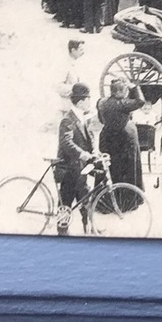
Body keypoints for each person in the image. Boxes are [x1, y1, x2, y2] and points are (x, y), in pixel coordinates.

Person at [54, 83, 98, 235]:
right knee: (66, 199)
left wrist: (94, 153)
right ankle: (62, 230)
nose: (90, 102)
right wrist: (81, 154)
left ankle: (90, 227)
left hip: (79, 167)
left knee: (85, 197)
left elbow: (87, 139)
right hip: (67, 167)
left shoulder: (81, 117)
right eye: (88, 99)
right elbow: (66, 142)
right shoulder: (67, 120)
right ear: (80, 102)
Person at [96, 78, 148, 204]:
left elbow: (101, 120)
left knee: (110, 170)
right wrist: (134, 87)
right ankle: (126, 201)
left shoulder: (101, 102)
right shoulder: (123, 104)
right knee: (126, 170)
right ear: (121, 92)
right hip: (123, 141)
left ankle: (106, 200)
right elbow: (141, 101)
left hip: (107, 139)